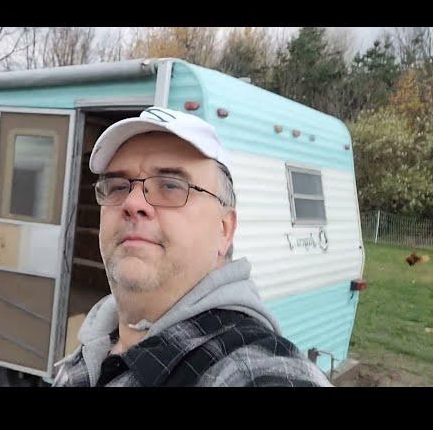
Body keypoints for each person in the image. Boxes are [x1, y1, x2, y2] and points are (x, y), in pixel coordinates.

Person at [53, 106, 332, 387]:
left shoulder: (251, 371)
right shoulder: (94, 347)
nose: (132, 203)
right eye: (117, 186)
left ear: (224, 230)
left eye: (171, 186)